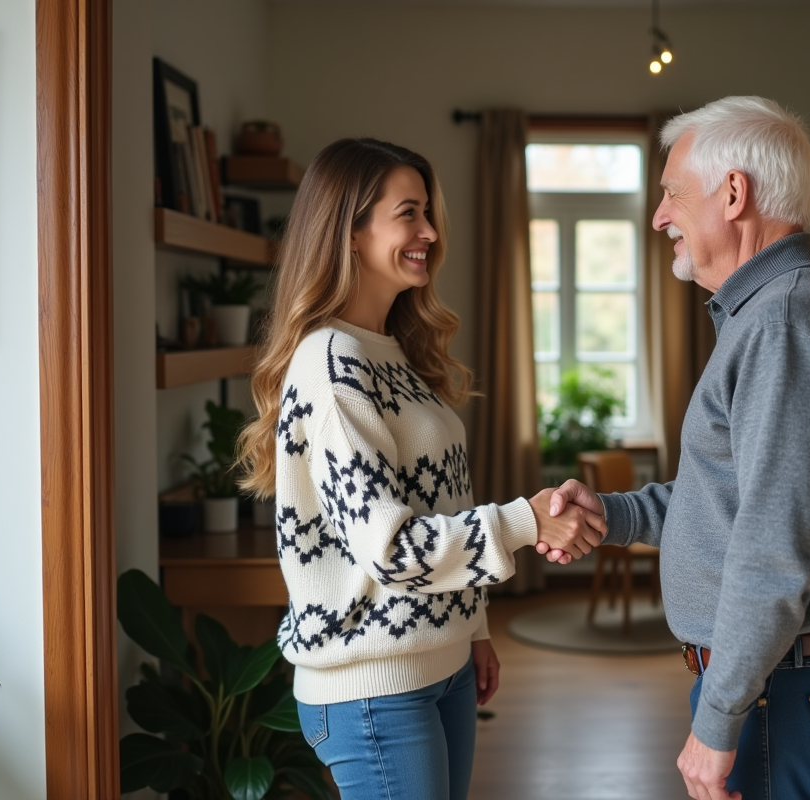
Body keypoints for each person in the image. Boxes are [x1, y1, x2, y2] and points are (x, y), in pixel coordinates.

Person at [540, 96, 810, 800]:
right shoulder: (774, 312)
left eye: (672, 194)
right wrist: (614, 513)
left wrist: (720, 715)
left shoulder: (781, 323)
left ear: (733, 194)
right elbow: (731, 500)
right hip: (778, 680)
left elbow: (772, 549)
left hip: (781, 689)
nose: (658, 217)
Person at [235, 137, 603, 800]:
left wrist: (473, 629)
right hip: (374, 691)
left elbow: (441, 504)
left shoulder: (388, 350)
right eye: (409, 213)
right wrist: (526, 521)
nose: (430, 232)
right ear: (350, 232)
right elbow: (393, 549)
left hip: (440, 664)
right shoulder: (331, 364)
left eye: (427, 212)